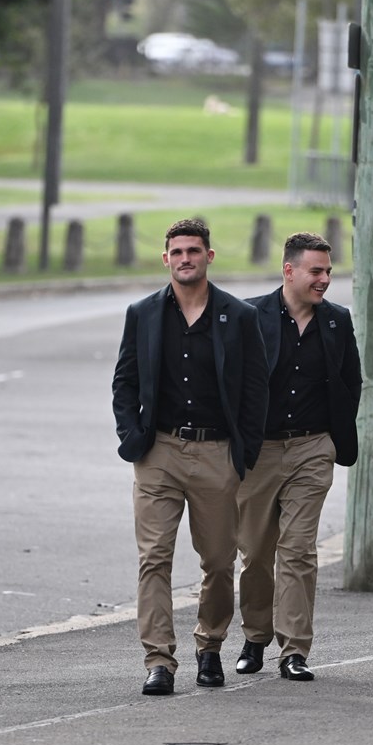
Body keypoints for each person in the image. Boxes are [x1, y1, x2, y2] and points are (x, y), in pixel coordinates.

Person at [112, 218, 269, 696]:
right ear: (166, 258)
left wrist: (242, 453)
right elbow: (125, 381)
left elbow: (255, 389)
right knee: (153, 558)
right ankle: (159, 660)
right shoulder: (143, 313)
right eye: (177, 252)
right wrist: (132, 434)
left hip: (216, 453)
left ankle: (210, 645)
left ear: (209, 256)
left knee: (219, 562)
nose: (185, 259)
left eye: (194, 251)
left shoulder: (238, 316)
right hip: (158, 452)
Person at [235, 232, 362, 681]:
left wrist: (331, 439)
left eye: (328, 271)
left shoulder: (337, 321)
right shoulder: (248, 314)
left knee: (298, 549)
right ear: (289, 271)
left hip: (312, 448)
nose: (325, 279)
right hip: (258, 452)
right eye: (316, 271)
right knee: (254, 553)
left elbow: (350, 382)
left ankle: (294, 650)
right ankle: (254, 635)